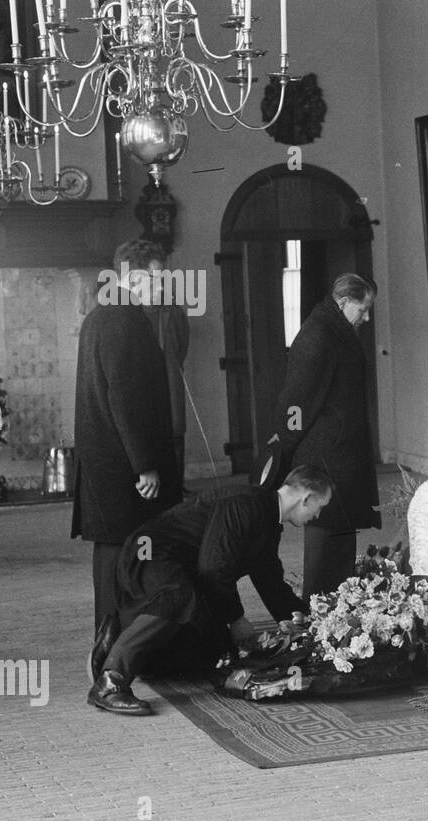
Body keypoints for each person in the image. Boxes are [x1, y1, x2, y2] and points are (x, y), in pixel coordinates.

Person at [87, 466, 331, 715]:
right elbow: (213, 569)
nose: (318, 515)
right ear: (307, 498)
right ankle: (110, 684)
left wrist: (313, 625)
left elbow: (271, 584)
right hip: (148, 550)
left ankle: (117, 639)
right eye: (320, 507)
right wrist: (235, 619)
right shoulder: (245, 504)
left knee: (212, 654)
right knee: (179, 598)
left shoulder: (268, 520)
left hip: (176, 567)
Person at [72, 241, 182, 672]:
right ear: (133, 279)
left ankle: (113, 648)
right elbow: (124, 399)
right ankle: (113, 653)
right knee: (125, 557)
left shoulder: (105, 315)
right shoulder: (122, 320)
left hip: (106, 464)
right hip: (123, 468)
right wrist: (145, 465)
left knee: (114, 555)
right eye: (157, 278)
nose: (162, 286)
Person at [272, 273, 381, 599]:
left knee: (341, 537)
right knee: (323, 542)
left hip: (342, 454)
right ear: (343, 302)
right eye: (362, 309)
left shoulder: (336, 330)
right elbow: (296, 403)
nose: (366, 317)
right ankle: (316, 616)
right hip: (325, 455)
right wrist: (282, 452)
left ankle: (337, 610)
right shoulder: (317, 336)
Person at [133, 240, 191, 484]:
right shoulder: (127, 314)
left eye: (161, 277)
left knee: (175, 438)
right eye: (154, 277)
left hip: (170, 386)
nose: (160, 284)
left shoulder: (173, 312)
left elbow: (181, 347)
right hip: (141, 396)